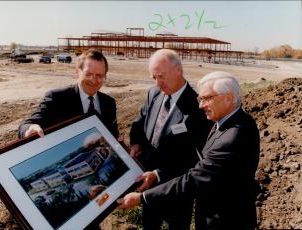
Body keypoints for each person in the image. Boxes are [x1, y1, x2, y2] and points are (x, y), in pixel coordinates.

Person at [119, 71, 261, 230]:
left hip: (225, 220)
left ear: (228, 98)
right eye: (201, 99)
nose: (201, 105)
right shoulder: (234, 120)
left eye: (207, 98)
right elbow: (200, 163)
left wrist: (142, 198)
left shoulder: (233, 136)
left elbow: (195, 178)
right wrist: (157, 174)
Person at [129, 49, 211, 229]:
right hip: (148, 184)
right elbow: (140, 122)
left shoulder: (198, 105)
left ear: (178, 70)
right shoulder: (153, 93)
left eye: (161, 76)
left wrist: (159, 174)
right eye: (153, 77)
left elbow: (198, 156)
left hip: (177, 188)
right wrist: (136, 143)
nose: (158, 83)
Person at [18, 49, 119, 139]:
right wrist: (30, 129)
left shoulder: (109, 103)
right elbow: (27, 125)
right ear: (76, 72)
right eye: (88, 74)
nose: (93, 80)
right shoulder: (57, 99)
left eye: (99, 76)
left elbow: (113, 135)